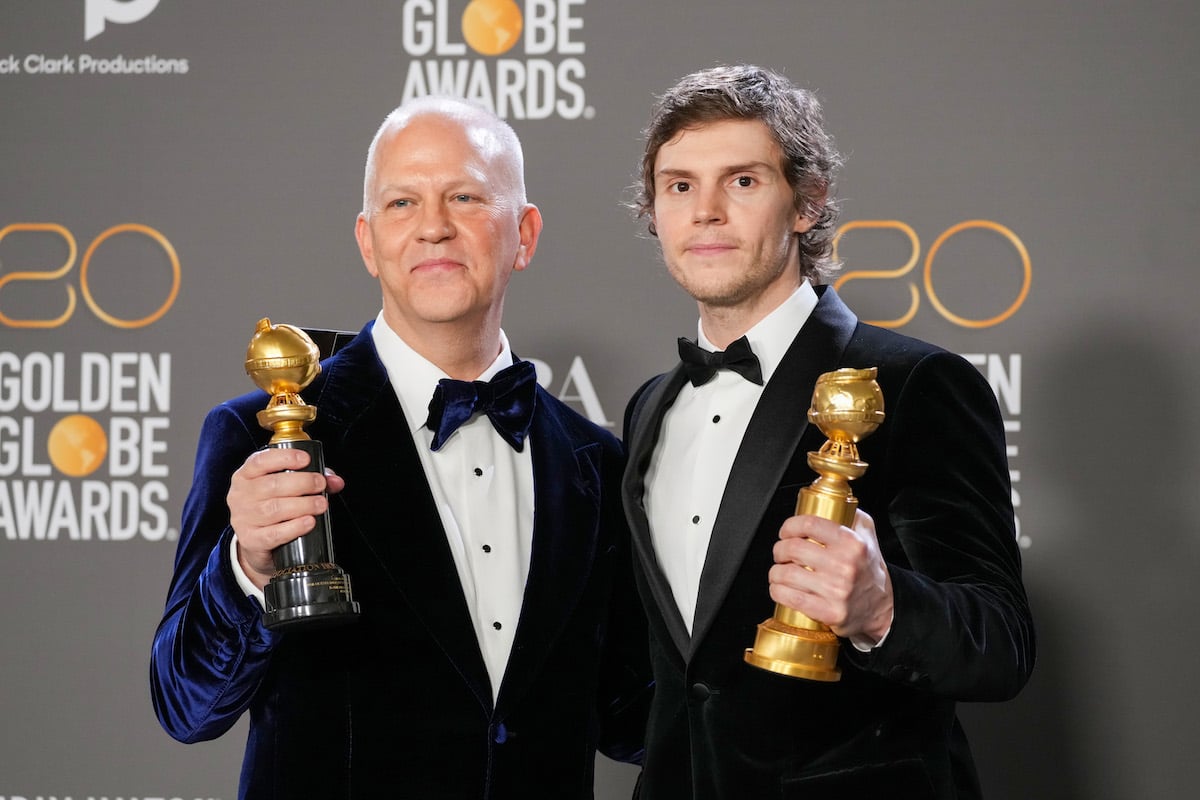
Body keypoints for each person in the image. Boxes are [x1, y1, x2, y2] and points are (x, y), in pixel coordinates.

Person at [150, 96, 650, 799]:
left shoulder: (597, 464)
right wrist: (245, 568)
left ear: (525, 234)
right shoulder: (259, 436)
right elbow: (186, 706)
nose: (434, 228)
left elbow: (635, 718)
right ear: (367, 241)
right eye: (401, 203)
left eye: (467, 196)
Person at [621, 64, 1035, 798]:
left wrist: (884, 608)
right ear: (655, 210)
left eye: (742, 181)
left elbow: (999, 644)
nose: (706, 211)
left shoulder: (915, 384)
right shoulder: (651, 405)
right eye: (679, 185)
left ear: (807, 203)